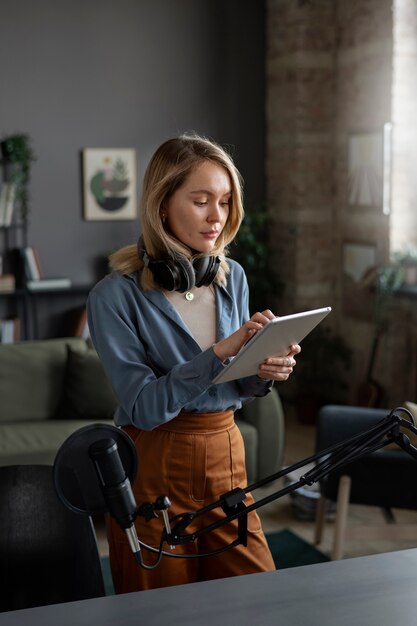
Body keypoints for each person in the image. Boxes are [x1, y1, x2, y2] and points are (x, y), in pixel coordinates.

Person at [87, 133, 301, 593]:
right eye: (201, 200)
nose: (216, 217)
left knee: (256, 597)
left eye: (224, 202)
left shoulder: (232, 276)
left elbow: (233, 385)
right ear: (161, 204)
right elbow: (144, 406)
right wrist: (220, 352)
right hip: (152, 461)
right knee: (161, 609)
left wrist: (264, 370)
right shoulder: (113, 296)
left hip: (226, 452)